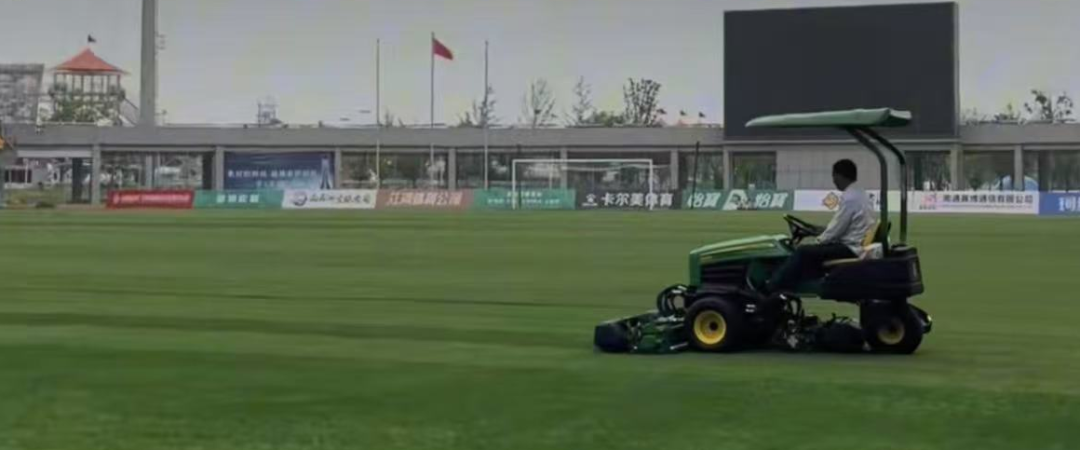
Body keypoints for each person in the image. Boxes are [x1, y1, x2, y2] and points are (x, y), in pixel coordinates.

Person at [768, 159, 876, 293]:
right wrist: (817, 230)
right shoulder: (860, 193)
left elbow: (835, 231)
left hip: (850, 248)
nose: (833, 180)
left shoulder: (850, 198)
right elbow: (841, 226)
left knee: (802, 251)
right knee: (810, 251)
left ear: (839, 176)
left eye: (834, 176)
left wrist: (818, 241)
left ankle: (772, 287)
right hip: (856, 244)